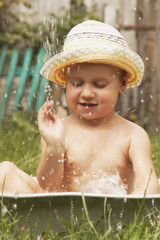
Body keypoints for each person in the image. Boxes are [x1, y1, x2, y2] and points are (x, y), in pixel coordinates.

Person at [0, 20, 159, 195]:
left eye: (99, 85)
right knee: (4, 171)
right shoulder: (60, 131)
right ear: (66, 83)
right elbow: (48, 186)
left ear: (122, 84)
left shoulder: (133, 135)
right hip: (60, 215)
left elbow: (149, 187)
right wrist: (54, 146)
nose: (87, 93)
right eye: (76, 83)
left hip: (111, 216)